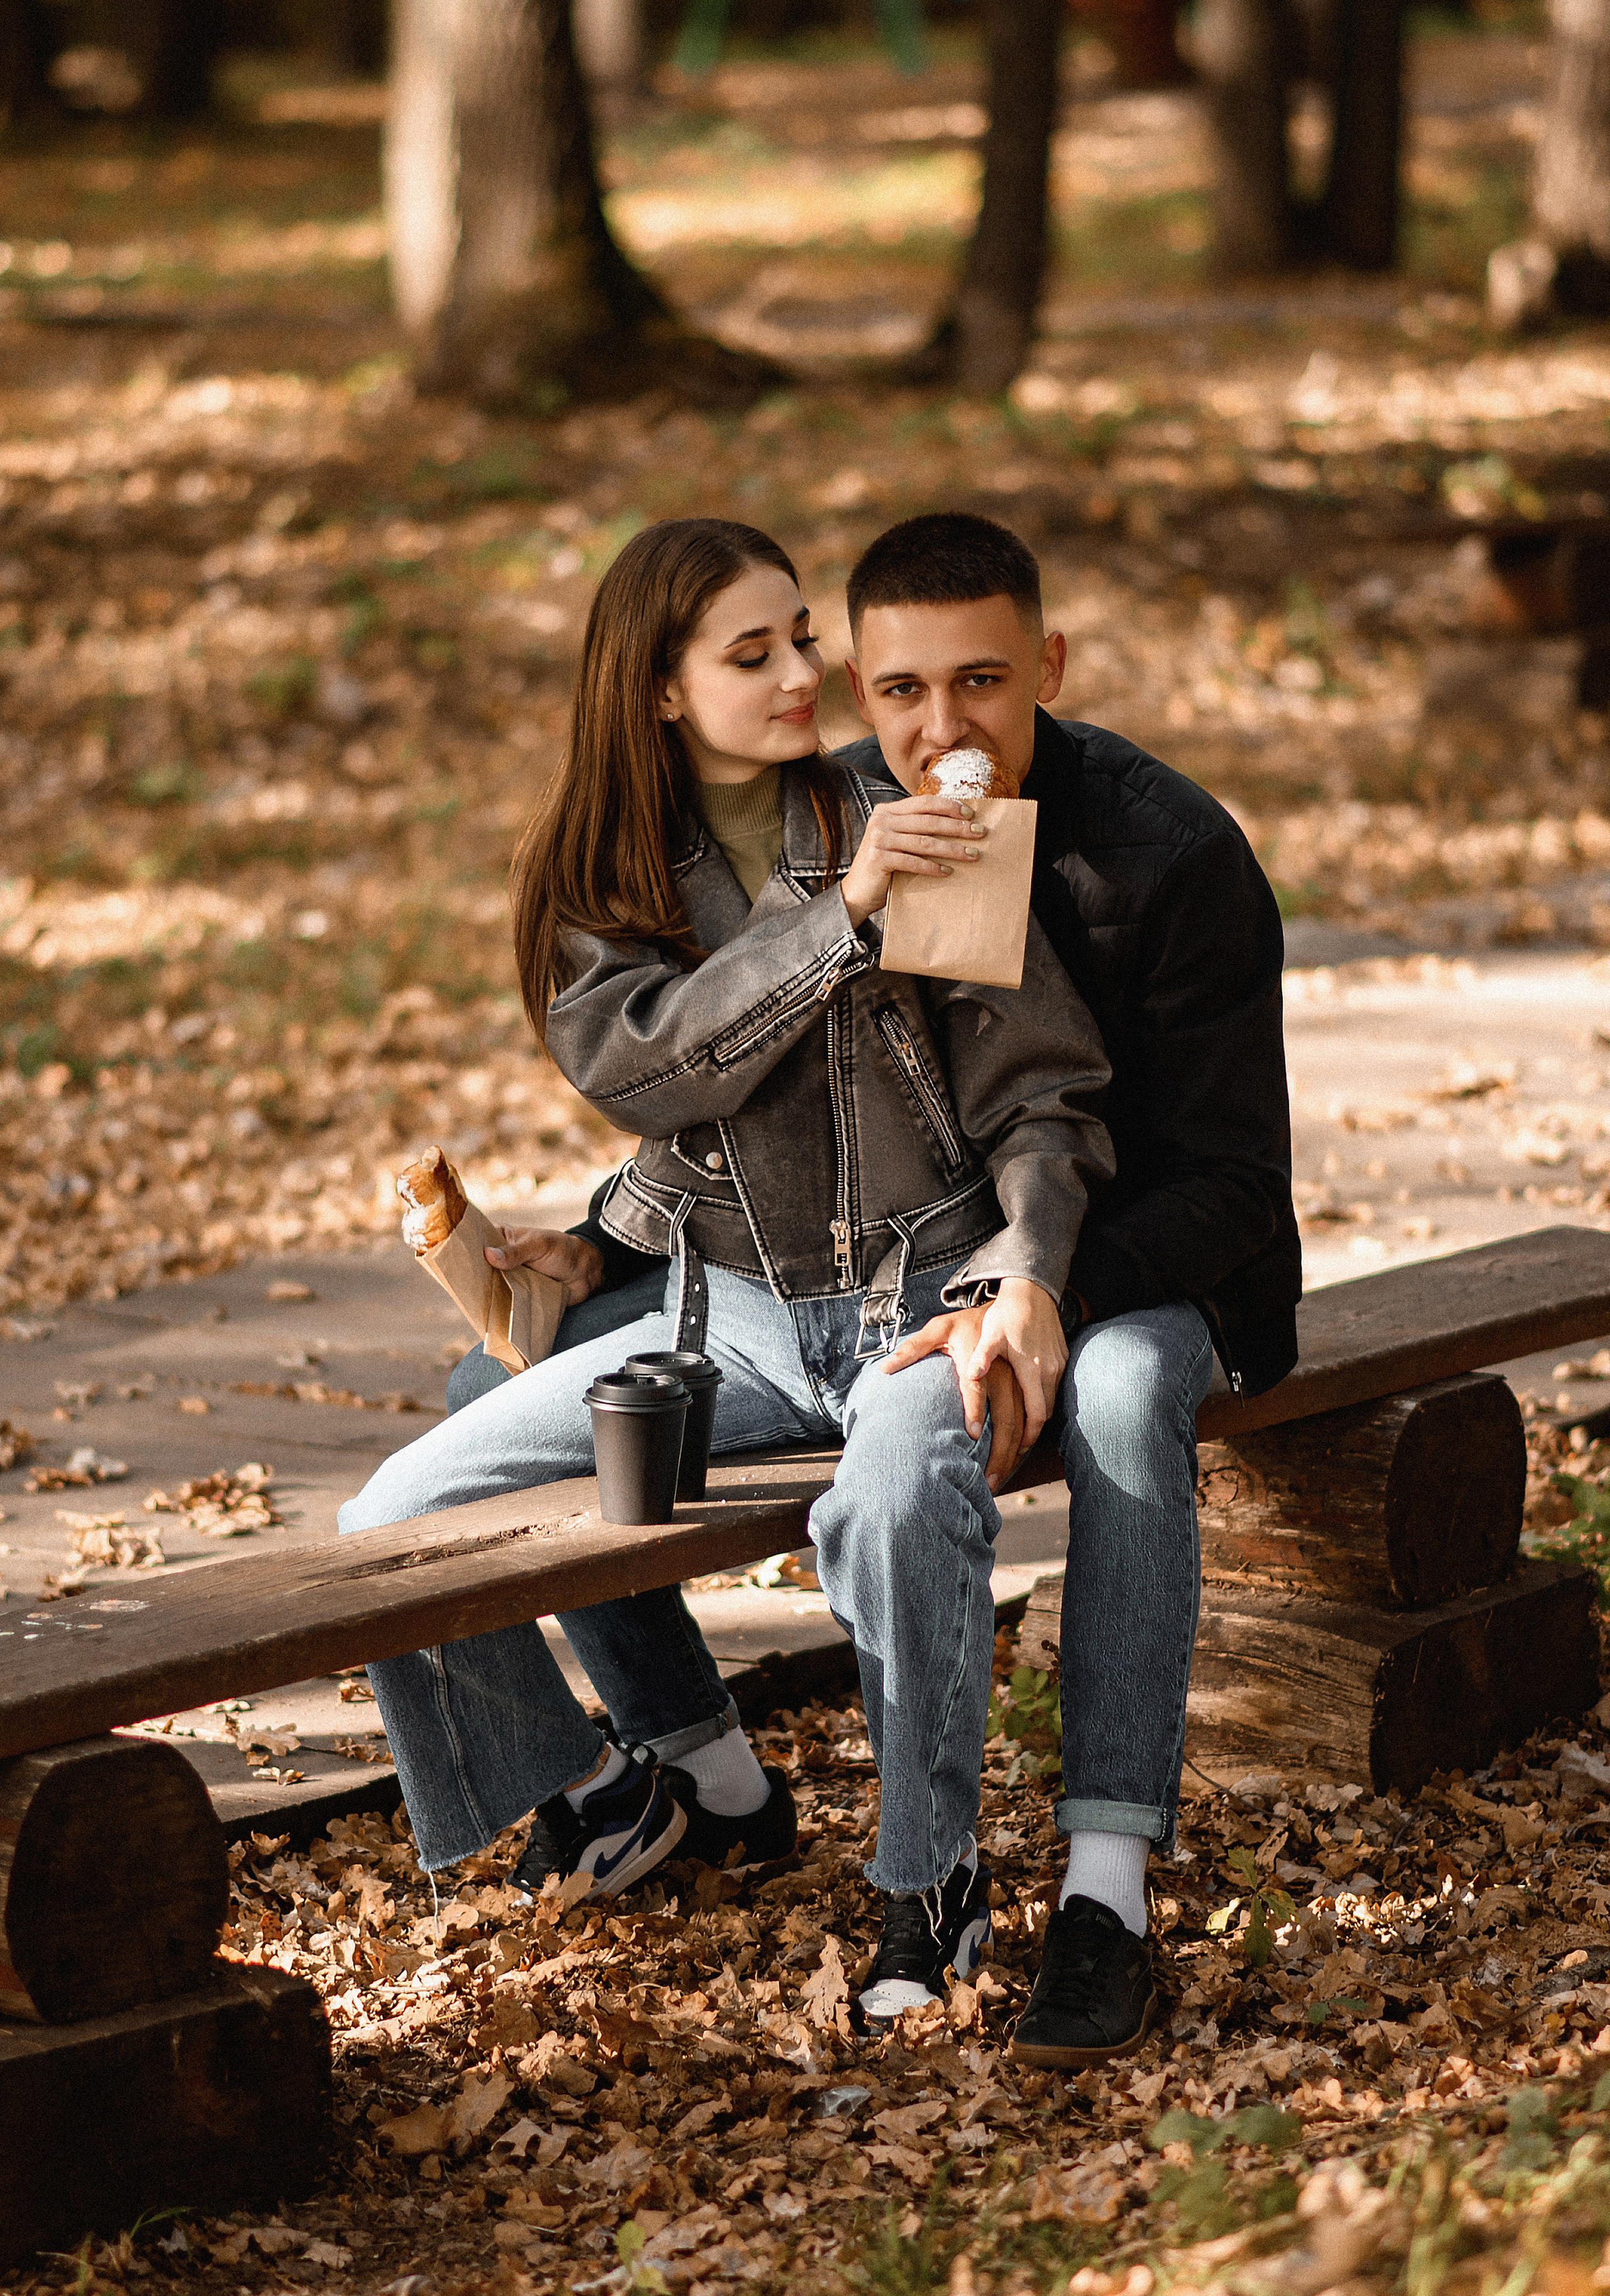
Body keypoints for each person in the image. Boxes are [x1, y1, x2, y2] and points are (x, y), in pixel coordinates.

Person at [497, 512, 1299, 2068]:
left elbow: (1224, 1187)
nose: (944, 730)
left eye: (983, 684)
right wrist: (605, 1239)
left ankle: (1102, 1886)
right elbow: (740, 1102)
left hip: (1147, 1264)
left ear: (1047, 669)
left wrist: (1038, 1284)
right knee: (503, 1400)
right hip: (955, 1271)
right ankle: (691, 1771)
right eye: (899, 691)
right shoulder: (867, 830)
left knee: (1123, 1393)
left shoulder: (1169, 848)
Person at [340, 519, 1114, 2008]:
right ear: (656, 690)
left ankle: (927, 1885)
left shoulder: (902, 810)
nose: (799, 675)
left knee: (893, 1502)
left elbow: (1035, 1090)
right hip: (733, 1330)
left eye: (800, 639)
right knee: (400, 1514)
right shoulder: (596, 880)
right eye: (749, 655)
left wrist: (1024, 1265)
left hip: (922, 1305)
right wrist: (604, 1232)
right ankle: (661, 1779)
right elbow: (666, 1080)